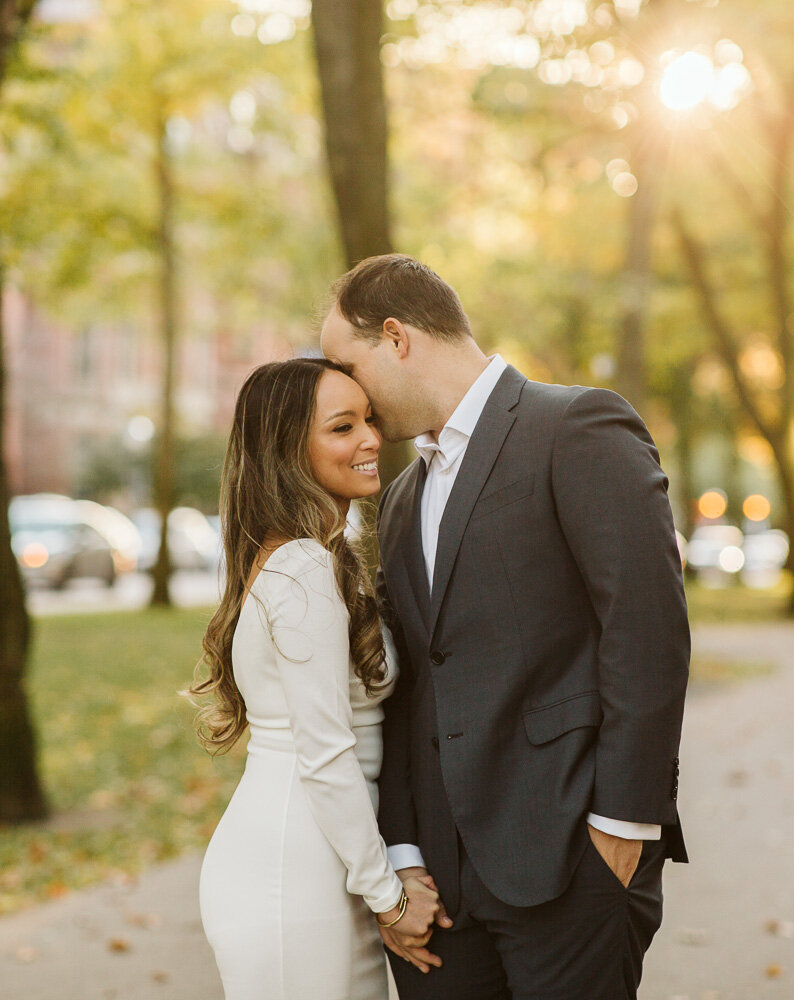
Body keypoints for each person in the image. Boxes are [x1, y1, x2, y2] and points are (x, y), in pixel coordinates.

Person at [320, 254, 691, 1000]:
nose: (343, 388)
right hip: (440, 889)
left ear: (396, 338)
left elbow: (647, 629)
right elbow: (409, 685)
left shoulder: (576, 426)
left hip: (571, 857)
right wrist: (399, 850)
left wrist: (625, 823)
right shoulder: (398, 498)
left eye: (345, 363)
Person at [195, 357, 448, 1000]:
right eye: (342, 427)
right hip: (293, 867)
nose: (370, 439)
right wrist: (389, 897)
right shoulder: (304, 567)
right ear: (288, 451)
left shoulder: (312, 557)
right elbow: (327, 752)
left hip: (322, 858)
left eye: (367, 419)